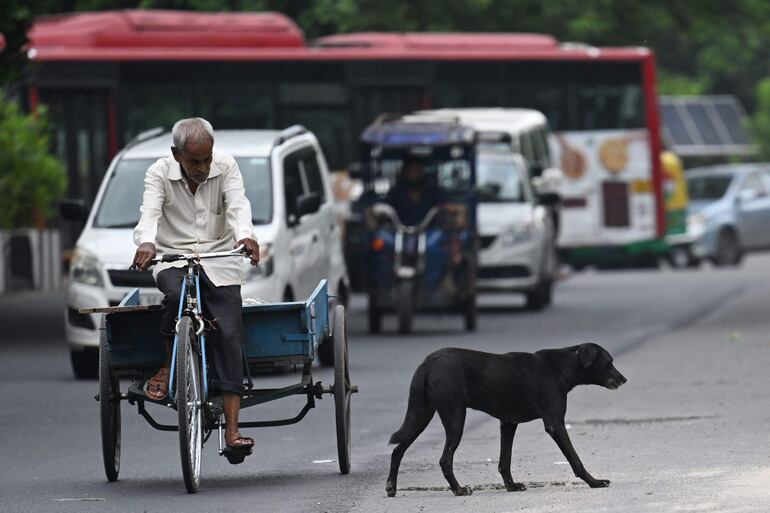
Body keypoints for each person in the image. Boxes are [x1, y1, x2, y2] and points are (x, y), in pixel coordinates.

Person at [132, 117, 260, 451]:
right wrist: (147, 243)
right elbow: (149, 213)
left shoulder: (226, 166)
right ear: (177, 155)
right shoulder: (158, 172)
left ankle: (232, 431)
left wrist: (246, 236)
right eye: (194, 162)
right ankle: (167, 364)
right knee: (175, 296)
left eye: (207, 159)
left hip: (220, 259)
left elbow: (238, 205)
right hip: (173, 258)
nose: (203, 167)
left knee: (230, 332)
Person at [384, 157, 447, 226]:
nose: (415, 175)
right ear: (405, 173)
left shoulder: (433, 192)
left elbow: (446, 205)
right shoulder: (395, 193)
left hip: (430, 231)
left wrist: (455, 208)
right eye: (412, 171)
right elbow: (383, 208)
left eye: (418, 171)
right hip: (398, 232)